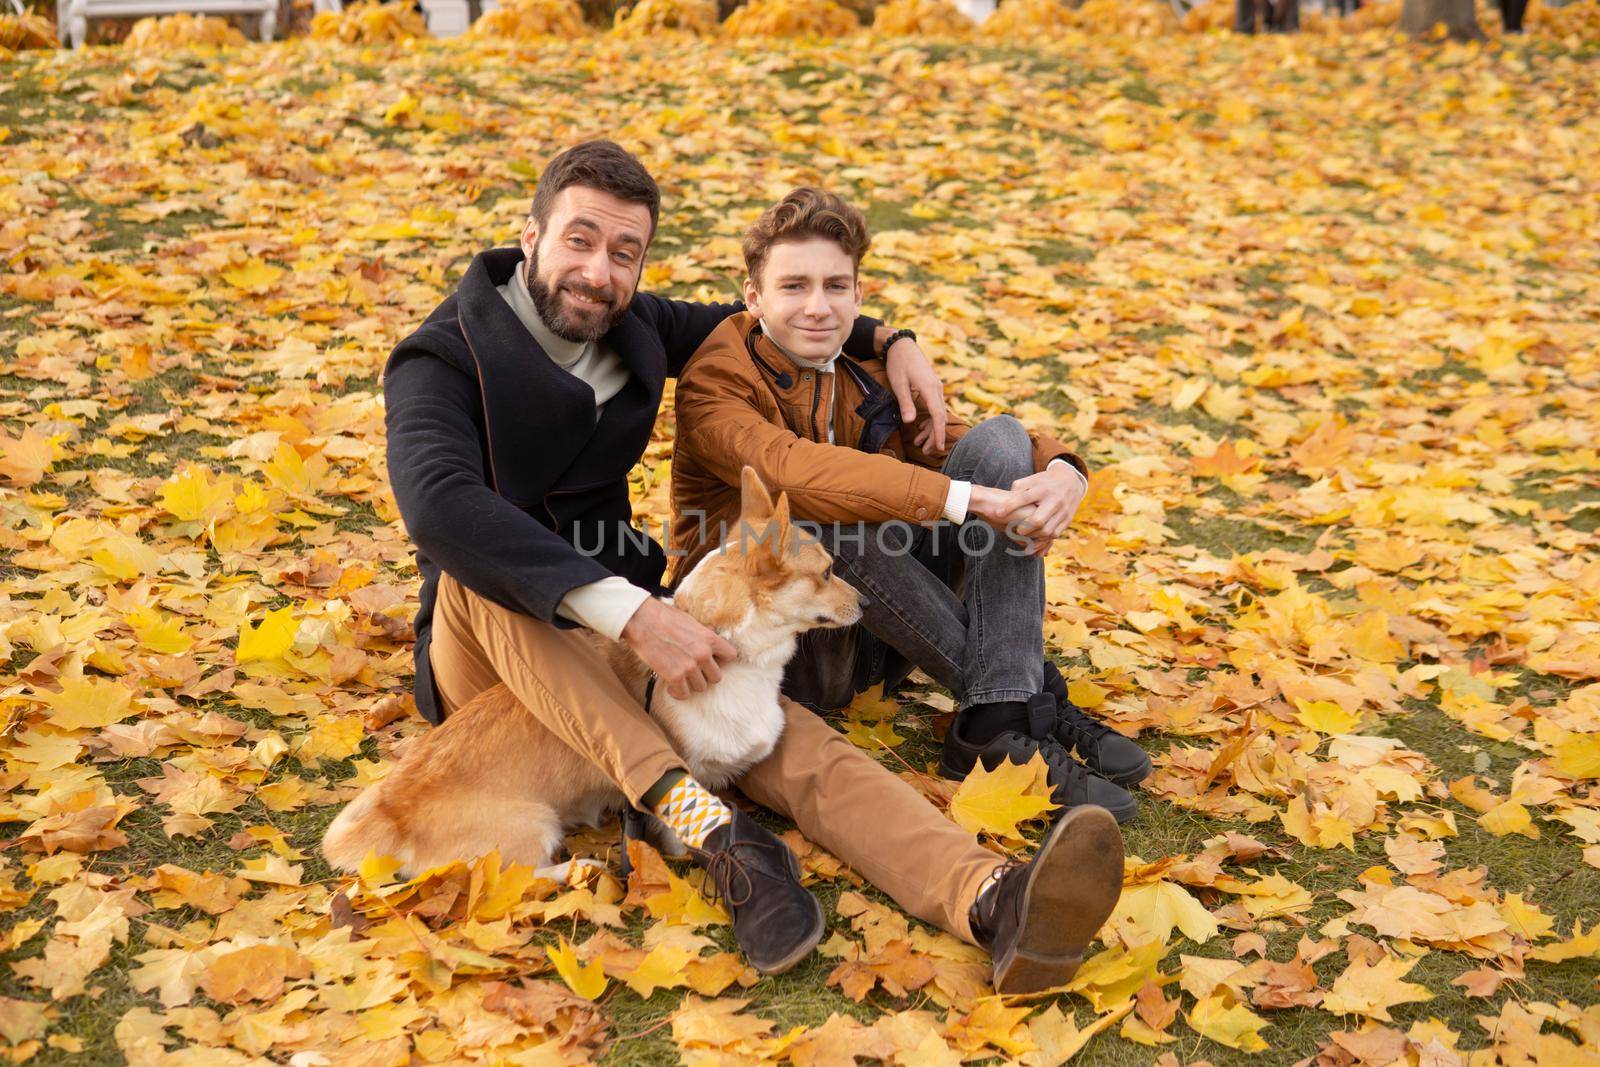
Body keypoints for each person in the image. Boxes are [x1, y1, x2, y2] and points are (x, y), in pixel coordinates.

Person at [383, 141, 1125, 990]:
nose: (600, 270)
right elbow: (439, 505)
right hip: (500, 649)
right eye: (580, 240)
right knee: (485, 561)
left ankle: (991, 898)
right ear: (531, 236)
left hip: (631, 631)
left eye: (625, 252)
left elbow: (788, 312)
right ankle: (713, 830)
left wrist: (896, 339)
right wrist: (632, 613)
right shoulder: (440, 357)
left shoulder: (636, 324)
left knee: (773, 728)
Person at [670, 187, 1152, 826]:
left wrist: (1064, 470)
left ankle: (998, 708)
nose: (818, 307)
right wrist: (968, 501)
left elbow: (974, 448)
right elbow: (788, 471)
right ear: (753, 298)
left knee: (1002, 440)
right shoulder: (716, 380)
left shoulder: (867, 367)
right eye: (794, 287)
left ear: (859, 296)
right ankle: (1022, 699)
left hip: (881, 627)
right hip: (780, 644)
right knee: (815, 519)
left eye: (836, 287)